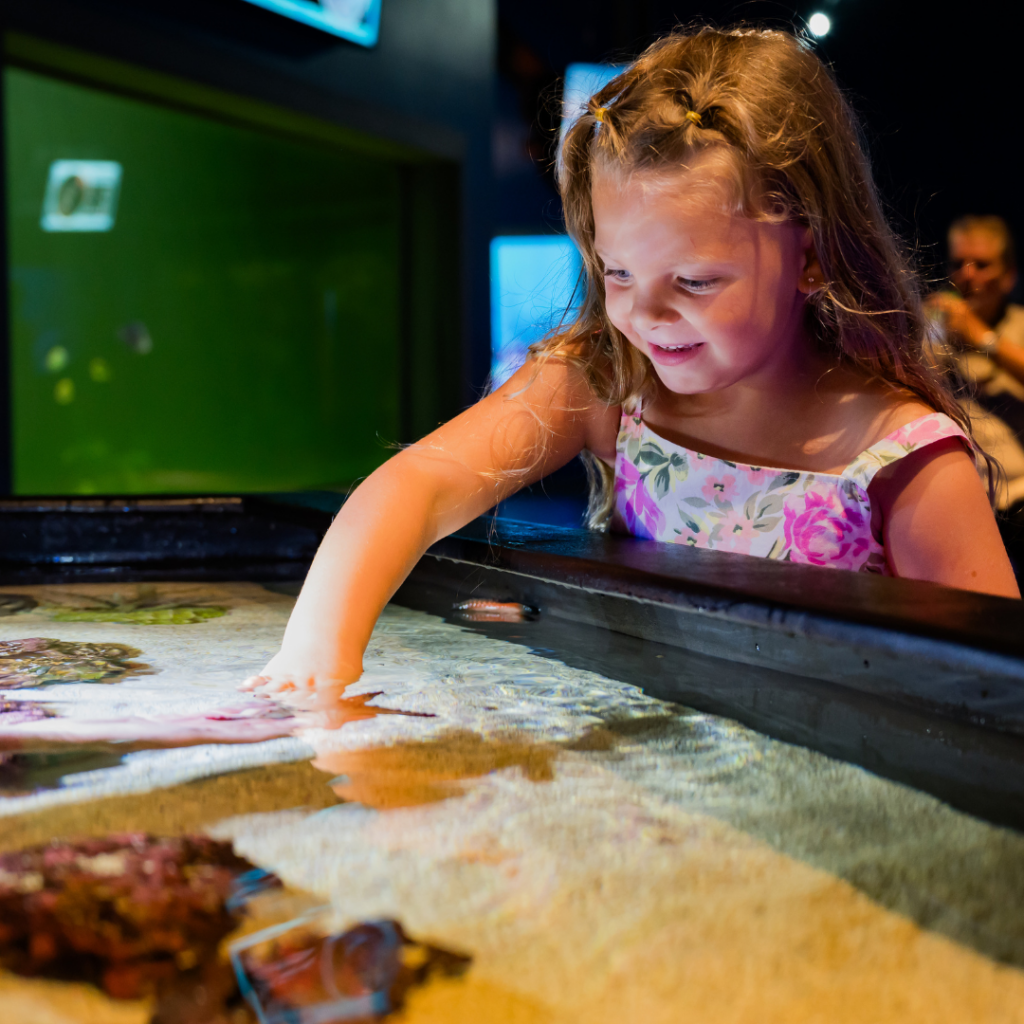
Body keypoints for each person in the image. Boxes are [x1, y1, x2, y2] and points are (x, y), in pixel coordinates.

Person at [244, 27, 1018, 702]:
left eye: (694, 280)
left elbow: (996, 689)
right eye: (617, 273)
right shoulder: (608, 382)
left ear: (810, 256)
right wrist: (316, 656)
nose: (644, 315)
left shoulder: (903, 460)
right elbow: (420, 484)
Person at [926, 217, 1024, 508]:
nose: (967, 275)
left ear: (1008, 276)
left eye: (982, 265)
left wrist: (981, 336)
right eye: (959, 264)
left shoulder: (1020, 324)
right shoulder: (929, 321)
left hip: (1019, 491)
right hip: (957, 493)